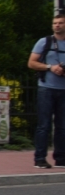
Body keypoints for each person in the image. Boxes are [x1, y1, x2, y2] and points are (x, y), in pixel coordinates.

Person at [28, 12, 65, 168]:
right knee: (43, 125)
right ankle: (40, 158)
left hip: (63, 89)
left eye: (60, 23)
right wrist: (50, 67)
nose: (57, 25)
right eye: (55, 23)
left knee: (62, 126)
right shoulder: (44, 42)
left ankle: (61, 158)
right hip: (46, 88)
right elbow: (31, 63)